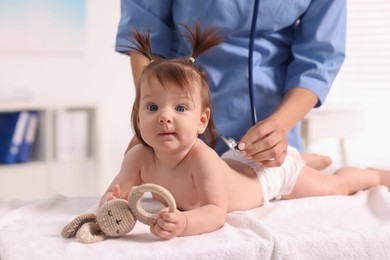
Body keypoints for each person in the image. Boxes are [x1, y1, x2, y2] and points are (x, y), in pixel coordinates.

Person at [100, 25, 390, 240]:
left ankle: (372, 174)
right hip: (237, 159)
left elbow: (215, 211)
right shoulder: (137, 156)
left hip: (268, 177)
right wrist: (111, 204)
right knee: (262, 164)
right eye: (151, 108)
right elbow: (116, 194)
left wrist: (185, 224)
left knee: (333, 188)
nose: (164, 117)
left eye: (179, 108)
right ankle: (305, 158)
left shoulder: (202, 158)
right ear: (137, 117)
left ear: (202, 122)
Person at [115, 0, 346, 169]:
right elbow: (145, 37)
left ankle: (368, 176)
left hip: (270, 131)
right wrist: (149, 117)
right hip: (183, 116)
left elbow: (319, 61)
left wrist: (279, 127)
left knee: (289, 181)